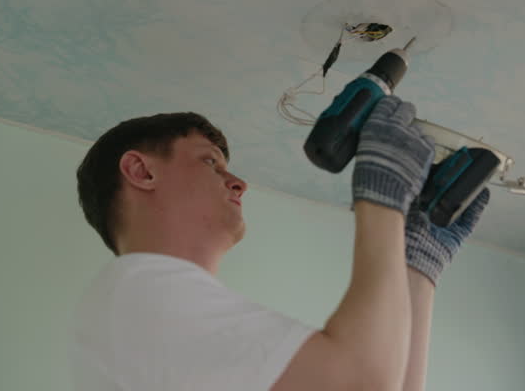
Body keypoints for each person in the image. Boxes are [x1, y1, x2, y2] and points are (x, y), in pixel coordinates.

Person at [70, 95, 491, 391]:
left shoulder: (158, 312)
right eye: (210, 161)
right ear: (141, 172)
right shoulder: (139, 292)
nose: (237, 182)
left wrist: (416, 264)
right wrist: (382, 196)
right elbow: (363, 383)